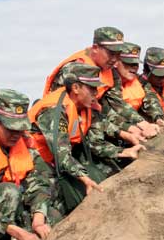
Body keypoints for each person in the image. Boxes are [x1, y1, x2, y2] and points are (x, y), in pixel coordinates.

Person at [29, 64, 145, 212]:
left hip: (63, 161)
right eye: (91, 88)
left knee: (106, 174)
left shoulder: (84, 108)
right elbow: (61, 154)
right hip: (38, 164)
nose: (96, 93)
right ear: (76, 88)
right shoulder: (54, 110)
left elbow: (95, 144)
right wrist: (84, 179)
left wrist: (123, 152)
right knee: (63, 203)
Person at [44, 27, 158, 139]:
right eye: (111, 53)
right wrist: (126, 130)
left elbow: (117, 104)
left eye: (118, 54)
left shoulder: (111, 71)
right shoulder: (74, 70)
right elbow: (65, 109)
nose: (114, 59)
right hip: (59, 127)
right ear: (95, 48)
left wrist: (142, 124)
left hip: (86, 123)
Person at [0, 89, 57, 240]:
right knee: (9, 191)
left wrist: (38, 217)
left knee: (50, 215)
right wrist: (16, 231)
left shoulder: (24, 144)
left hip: (14, 211)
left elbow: (39, 181)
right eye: (11, 129)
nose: (16, 134)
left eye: (20, 128)